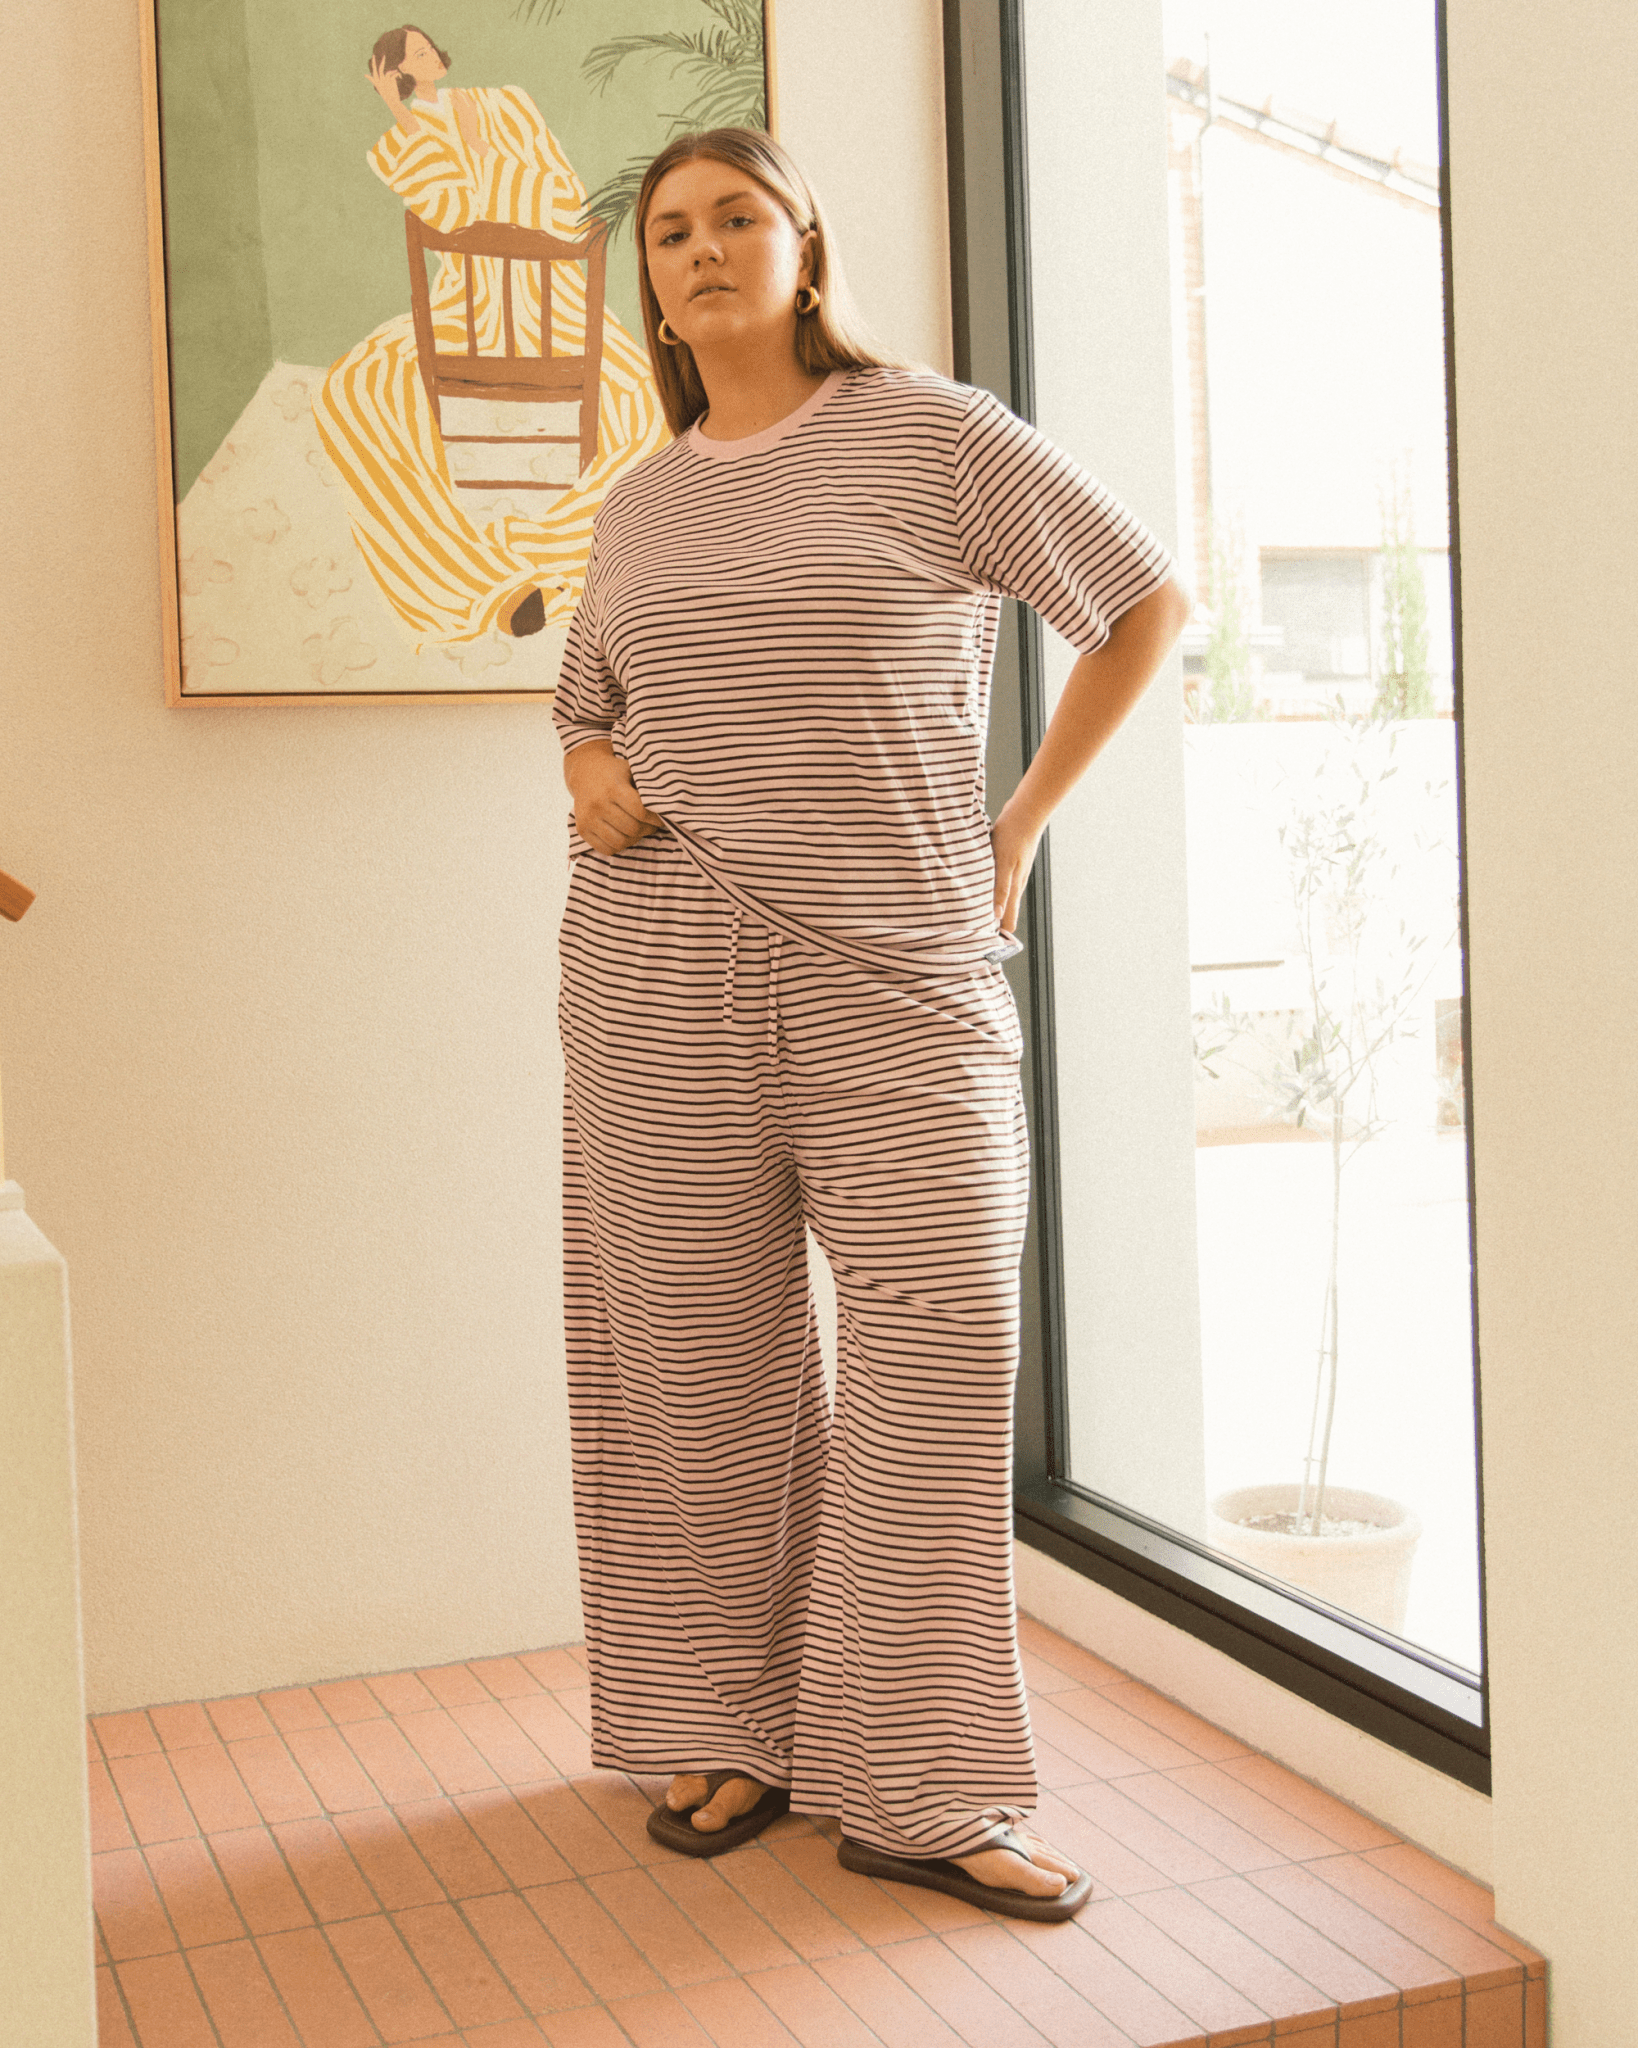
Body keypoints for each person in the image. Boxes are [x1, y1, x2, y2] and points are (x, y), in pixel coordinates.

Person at [553, 127, 1189, 1919]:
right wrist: (589, 762)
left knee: (939, 1349)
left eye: (733, 217)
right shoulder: (641, 501)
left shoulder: (929, 433)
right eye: (667, 232)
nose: (698, 249)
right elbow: (586, 700)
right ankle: (728, 1723)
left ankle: (917, 1782)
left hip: (898, 972)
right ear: (649, 284)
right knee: (695, 1363)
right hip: (655, 968)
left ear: (803, 244)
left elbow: (1140, 599)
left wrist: (1020, 820)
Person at [313, 25, 667, 647]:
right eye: (411, 55)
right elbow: (449, 214)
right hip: (465, 306)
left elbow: (565, 203)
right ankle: (484, 584)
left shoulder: (507, 103)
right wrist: (403, 115)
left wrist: (479, 158)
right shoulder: (400, 142)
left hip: (556, 304)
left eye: (427, 47)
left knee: (646, 411)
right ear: (394, 71)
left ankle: (544, 558)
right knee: (353, 388)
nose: (426, 56)